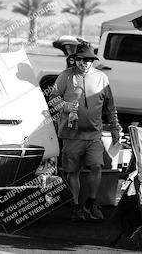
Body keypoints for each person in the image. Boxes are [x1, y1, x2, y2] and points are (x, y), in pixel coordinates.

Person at [50, 42, 121, 221]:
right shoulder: (65, 76)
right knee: (72, 171)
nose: (85, 63)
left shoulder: (102, 78)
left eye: (89, 60)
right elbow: (52, 100)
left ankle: (92, 201)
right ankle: (76, 206)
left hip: (94, 134)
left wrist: (114, 128)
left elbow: (110, 107)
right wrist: (66, 106)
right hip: (71, 135)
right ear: (75, 60)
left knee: (97, 166)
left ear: (93, 61)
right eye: (81, 59)